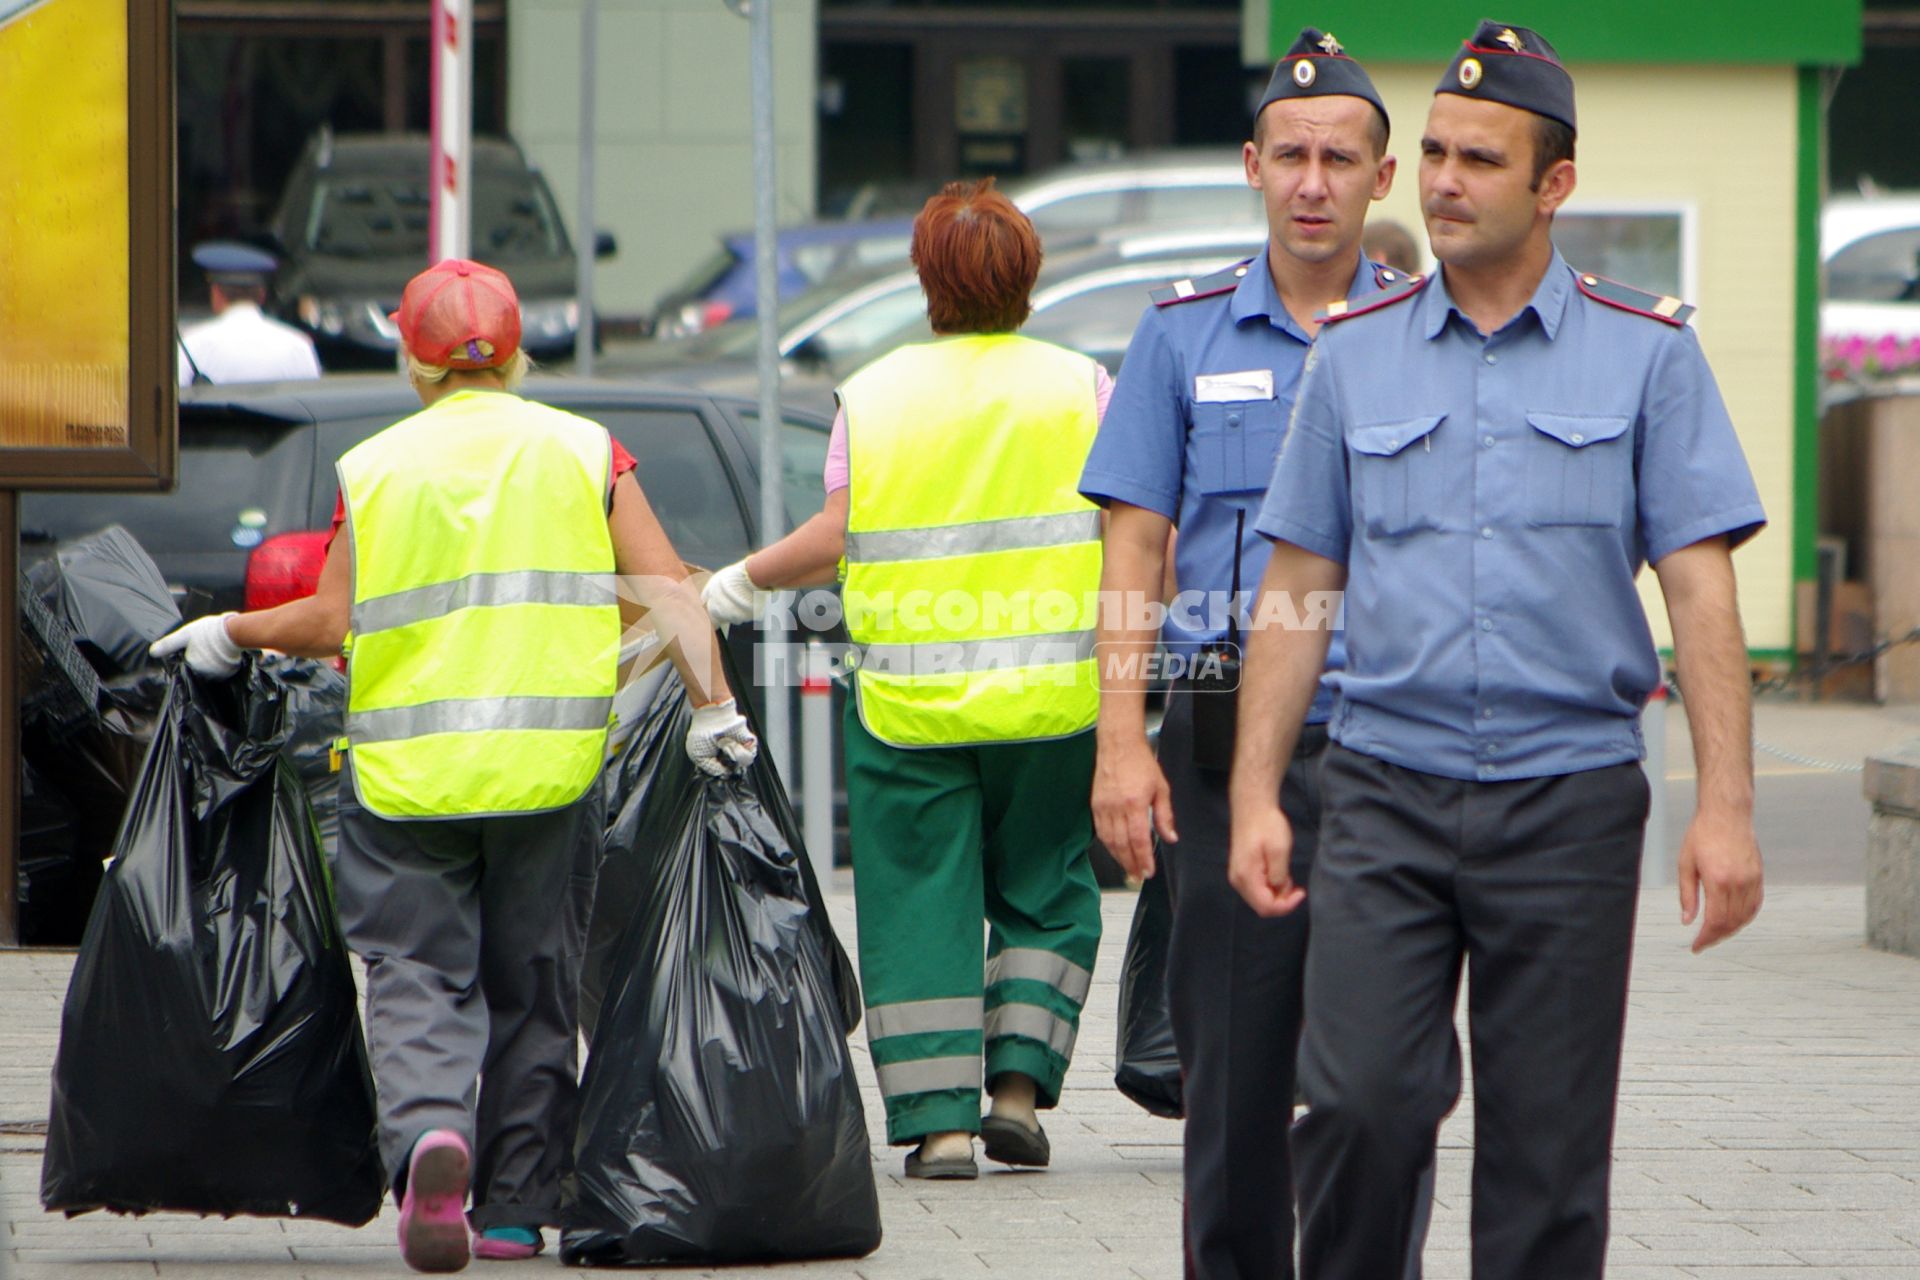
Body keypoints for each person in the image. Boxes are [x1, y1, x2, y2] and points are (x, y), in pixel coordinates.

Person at [1227, 22, 1767, 1279]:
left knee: (1547, 1159)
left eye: (1479, 157)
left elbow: (1701, 595)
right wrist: (1257, 790)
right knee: (1357, 1101)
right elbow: (1298, 584)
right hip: (1383, 794)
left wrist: (1725, 810)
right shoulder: (1354, 357)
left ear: (1555, 183)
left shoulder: (1650, 355)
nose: (1444, 180)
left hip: (1569, 800)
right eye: (1433, 152)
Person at [152, 257, 757, 1274]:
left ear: (412, 356)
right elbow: (669, 590)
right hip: (548, 771)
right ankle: (516, 1211)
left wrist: (228, 628)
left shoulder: (377, 465)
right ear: (516, 353)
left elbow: (330, 619)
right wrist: (716, 710)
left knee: (417, 973)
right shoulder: (585, 450)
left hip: (408, 777)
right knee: (536, 985)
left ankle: (434, 1130)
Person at [1077, 31, 1426, 1280]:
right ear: (1252, 165)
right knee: (1227, 1082)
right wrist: (1124, 740)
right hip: (1222, 742)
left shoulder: (1431, 335)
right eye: (1292, 154)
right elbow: (1134, 551)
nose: (1314, 180)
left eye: (1341, 157)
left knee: (1381, 1081)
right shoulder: (1179, 338)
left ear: (1384, 177)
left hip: (1398, 745)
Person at [701, 180, 1107, 1181]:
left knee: (918, 898)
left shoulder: (874, 397)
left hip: (906, 702)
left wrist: (734, 583)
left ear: (928, 281)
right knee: (1048, 886)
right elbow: (1134, 525)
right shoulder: (1084, 386)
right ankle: (1015, 1090)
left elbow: (837, 537)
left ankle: (941, 1128)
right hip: (1051, 696)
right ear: (1028, 276)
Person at [177, 241, 322, 384]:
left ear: (216, 293)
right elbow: (312, 403)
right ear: (262, 295)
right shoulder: (298, 347)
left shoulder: (191, 345)